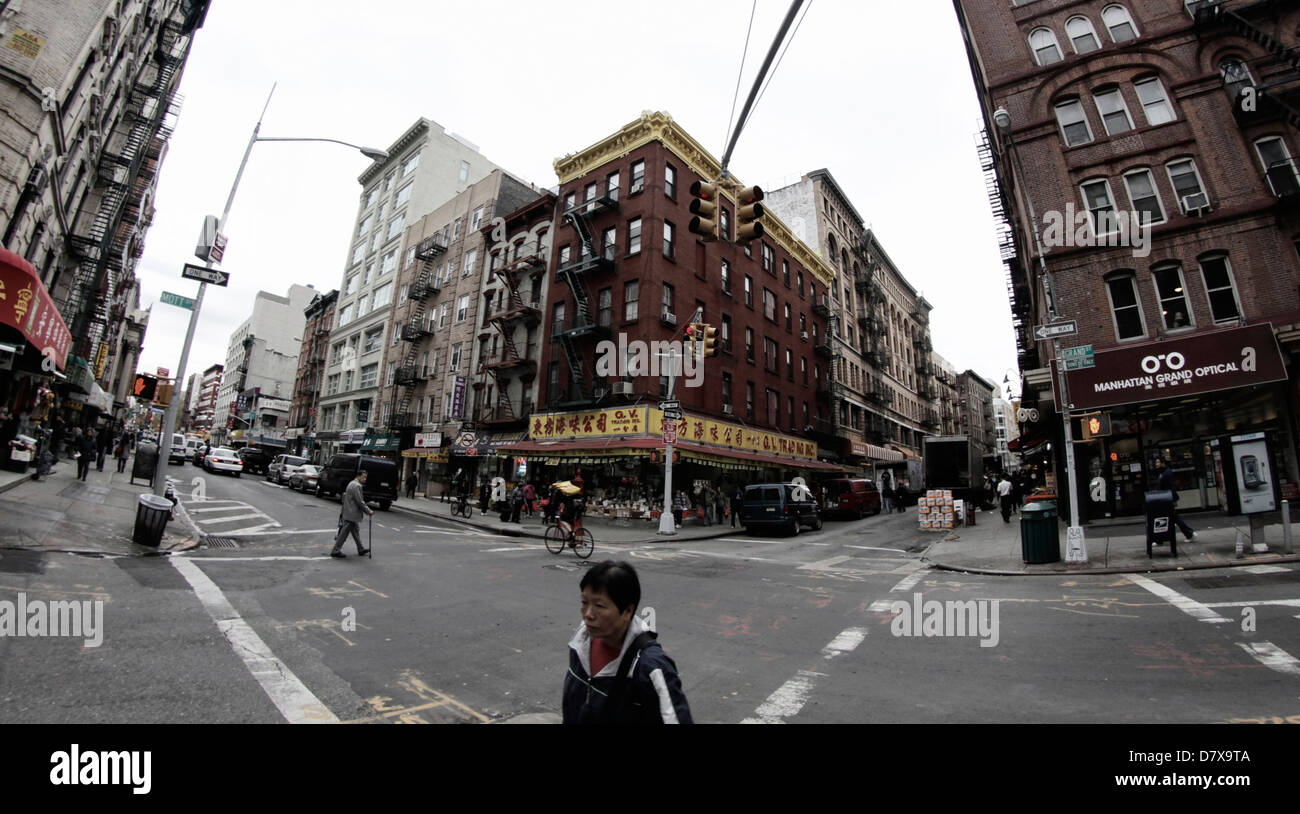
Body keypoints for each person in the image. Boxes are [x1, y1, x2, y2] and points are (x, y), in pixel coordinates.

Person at [562, 560, 692, 724]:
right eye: (584, 602)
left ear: (628, 611)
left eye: (599, 606)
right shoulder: (581, 640)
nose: (588, 614)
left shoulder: (651, 667)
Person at [330, 470, 373, 558]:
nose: (365, 479)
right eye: (364, 477)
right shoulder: (356, 486)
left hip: (349, 512)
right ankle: (335, 550)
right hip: (352, 514)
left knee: (355, 531)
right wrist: (368, 511)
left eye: (366, 477)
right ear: (359, 476)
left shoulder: (351, 483)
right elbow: (360, 501)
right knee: (344, 533)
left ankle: (360, 548)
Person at [1155, 456, 1196, 542]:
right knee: (1172, 518)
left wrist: (1172, 499)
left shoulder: (1167, 473)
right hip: (1164, 499)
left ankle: (1189, 533)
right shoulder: (1162, 473)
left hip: (1167, 499)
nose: (1156, 464)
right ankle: (1189, 533)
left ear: (1163, 463)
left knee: (1168, 518)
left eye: (1158, 462)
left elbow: (1172, 487)